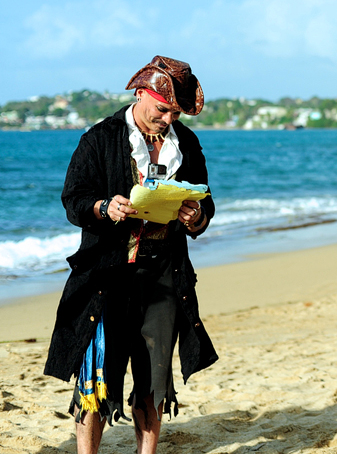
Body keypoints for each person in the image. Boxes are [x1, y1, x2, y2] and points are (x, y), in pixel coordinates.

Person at [44, 56, 217, 454]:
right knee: (95, 380)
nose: (168, 119)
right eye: (162, 109)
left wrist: (195, 217)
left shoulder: (185, 143)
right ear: (141, 94)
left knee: (154, 379)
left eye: (175, 112)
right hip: (108, 277)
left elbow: (207, 203)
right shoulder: (100, 138)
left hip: (164, 274)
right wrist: (105, 208)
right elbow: (73, 201)